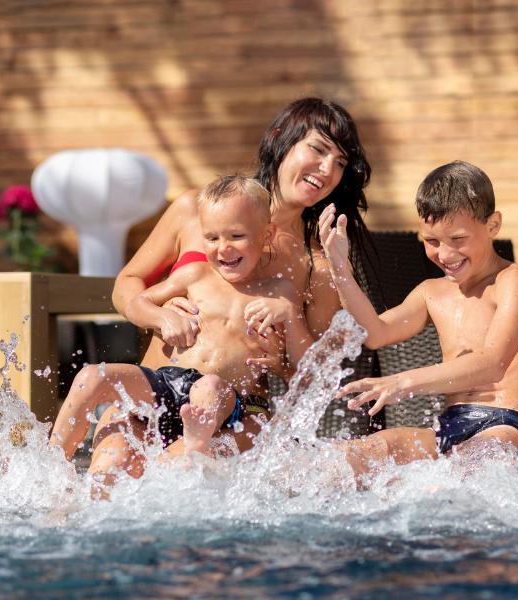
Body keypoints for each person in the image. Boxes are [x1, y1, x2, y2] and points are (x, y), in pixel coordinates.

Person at [90, 98, 372, 480]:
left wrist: (284, 361)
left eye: (340, 162)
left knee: (173, 478)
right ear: (280, 141)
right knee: (108, 471)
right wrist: (159, 314)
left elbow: (317, 373)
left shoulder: (316, 262)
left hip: (235, 414)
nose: (327, 169)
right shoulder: (196, 208)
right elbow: (127, 284)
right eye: (318, 150)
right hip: (153, 393)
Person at [50, 176, 313, 473]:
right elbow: (137, 302)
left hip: (225, 398)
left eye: (236, 236)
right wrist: (163, 316)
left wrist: (289, 316)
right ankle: (50, 466)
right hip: (167, 383)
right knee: (90, 376)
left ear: (266, 236)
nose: (223, 248)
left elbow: (308, 363)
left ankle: (193, 448)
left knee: (209, 387)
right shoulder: (194, 275)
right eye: (212, 238)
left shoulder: (280, 293)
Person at [318, 160, 518, 476]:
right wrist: (340, 269)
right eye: (432, 241)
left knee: (476, 464)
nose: (445, 254)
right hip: (447, 428)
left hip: (502, 425)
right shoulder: (431, 292)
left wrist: (404, 381)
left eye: (458, 239)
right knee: (366, 453)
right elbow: (375, 332)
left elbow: (493, 363)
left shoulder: (514, 280)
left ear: (493, 226)